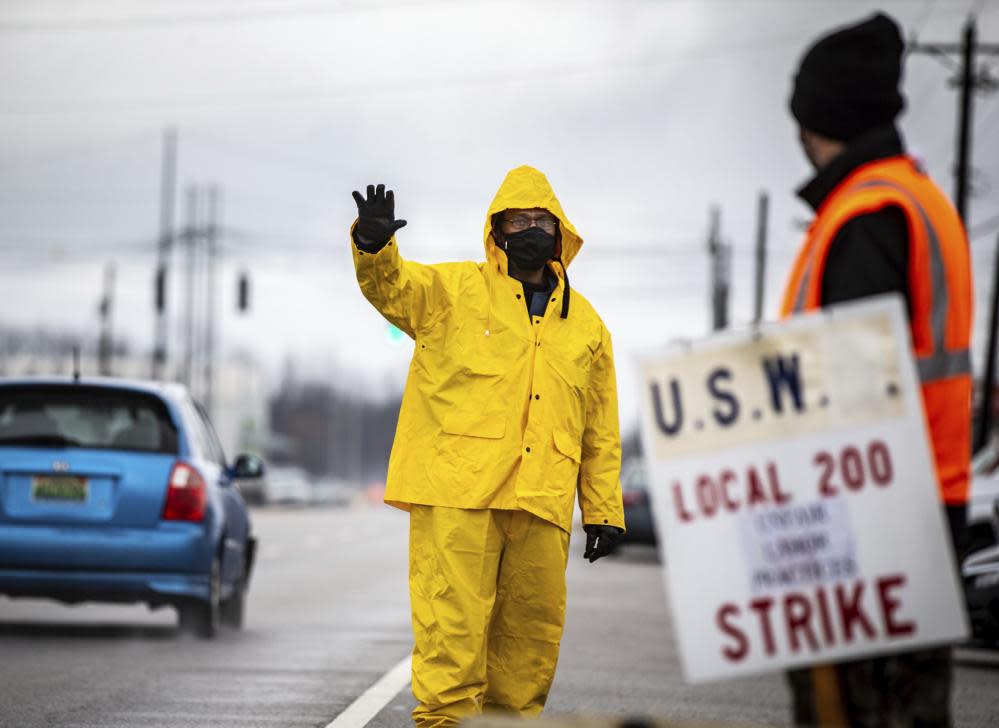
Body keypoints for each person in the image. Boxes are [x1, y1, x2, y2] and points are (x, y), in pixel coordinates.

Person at [349, 166, 624, 727]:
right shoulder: (453, 292)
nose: (529, 230)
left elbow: (599, 428)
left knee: (527, 654)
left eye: (539, 220)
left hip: (541, 504)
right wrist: (373, 245)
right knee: (451, 644)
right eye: (517, 221)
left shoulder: (588, 326)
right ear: (496, 232)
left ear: (559, 230)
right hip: (457, 499)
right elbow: (394, 288)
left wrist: (603, 511)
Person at [780, 12, 973, 727]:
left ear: (817, 116)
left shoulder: (867, 212)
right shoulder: (913, 197)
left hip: (873, 518)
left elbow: (851, 390)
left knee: (861, 713)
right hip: (920, 501)